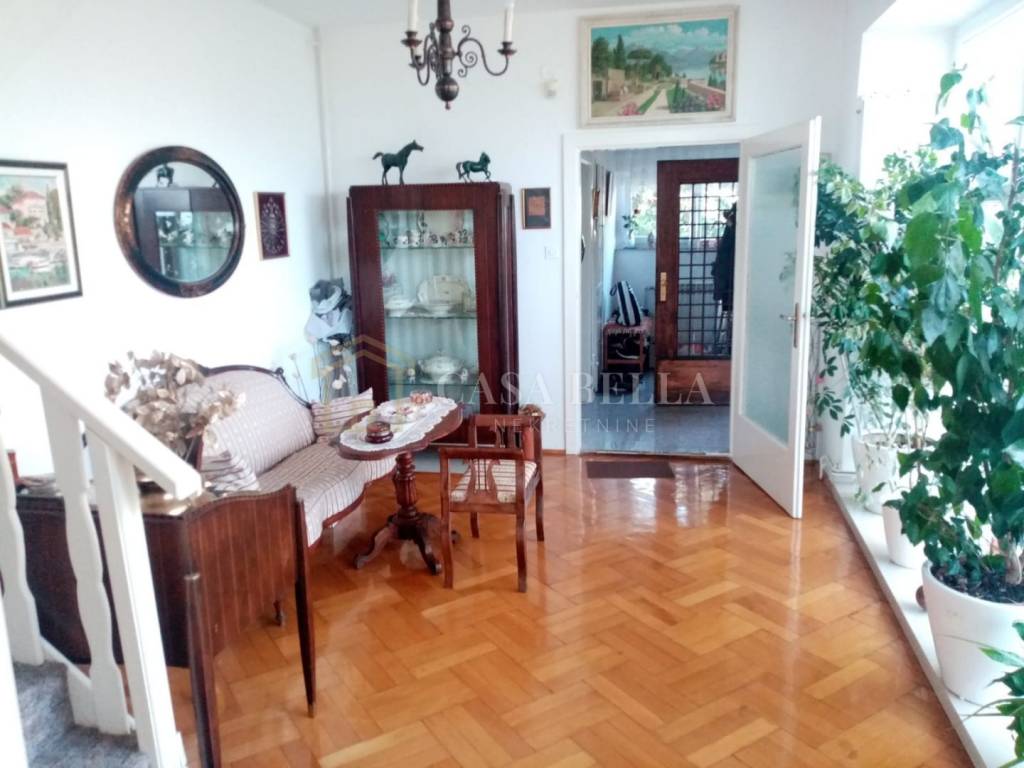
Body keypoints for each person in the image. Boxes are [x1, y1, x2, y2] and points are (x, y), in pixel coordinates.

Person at [712, 204, 736, 314]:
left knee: (729, 308)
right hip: (727, 276)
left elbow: (724, 252)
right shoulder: (731, 230)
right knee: (728, 309)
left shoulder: (732, 231)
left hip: (729, 276)